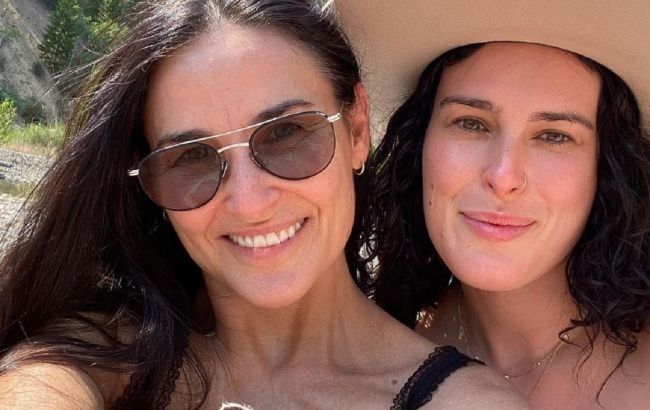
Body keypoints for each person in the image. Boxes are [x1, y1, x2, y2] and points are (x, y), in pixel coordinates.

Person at [0, 1, 527, 408]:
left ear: (357, 129)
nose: (250, 202)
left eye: (287, 134)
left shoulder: (466, 402)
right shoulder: (102, 353)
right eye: (191, 158)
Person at [339, 0, 650, 408]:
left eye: (554, 135)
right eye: (471, 123)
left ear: (610, 168)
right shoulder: (364, 372)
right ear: (418, 145)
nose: (503, 177)